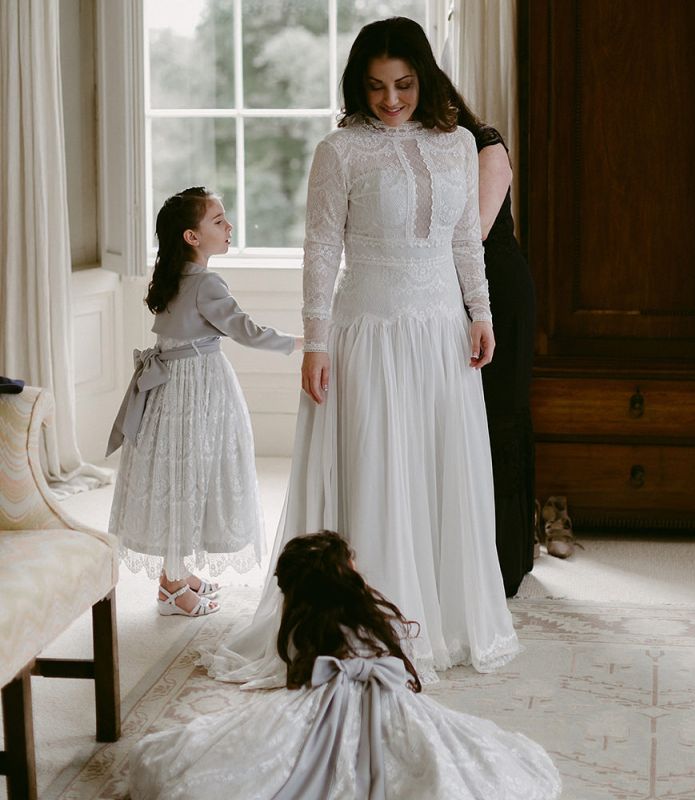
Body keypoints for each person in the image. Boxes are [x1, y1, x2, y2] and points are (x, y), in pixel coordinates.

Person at [198, 17, 519, 683]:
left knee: (437, 468)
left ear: (424, 78)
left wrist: (479, 313)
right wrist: (315, 342)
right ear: (358, 86)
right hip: (367, 330)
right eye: (375, 87)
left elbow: (466, 239)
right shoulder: (340, 151)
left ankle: (444, 618)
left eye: (403, 84)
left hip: (439, 332)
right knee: (377, 465)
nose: (391, 99)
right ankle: (366, 619)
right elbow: (321, 250)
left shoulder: (460, 142)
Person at [128, 531, 562, 800]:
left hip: (317, 707)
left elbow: (300, 673)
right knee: (451, 759)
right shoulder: (370, 621)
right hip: (389, 704)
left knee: (234, 760)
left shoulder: (303, 627)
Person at [107, 187, 301, 617]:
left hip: (172, 388)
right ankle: (172, 586)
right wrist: (298, 343)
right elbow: (245, 329)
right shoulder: (207, 282)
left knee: (182, 471)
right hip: (195, 388)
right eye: (218, 221)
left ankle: (177, 570)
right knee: (194, 470)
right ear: (191, 237)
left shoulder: (176, 276)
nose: (229, 227)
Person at [445, 81, 541, 592]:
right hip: (447, 294)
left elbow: (473, 233)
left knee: (499, 418)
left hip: (498, 290)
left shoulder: (486, 146)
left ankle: (506, 561)